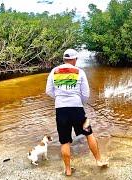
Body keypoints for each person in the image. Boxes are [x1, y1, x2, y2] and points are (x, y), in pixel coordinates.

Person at [46, 48, 108, 176]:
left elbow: (49, 91)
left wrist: (60, 98)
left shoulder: (54, 71)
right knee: (88, 133)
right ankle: (98, 160)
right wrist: (80, 102)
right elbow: (85, 94)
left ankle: (68, 170)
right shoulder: (79, 72)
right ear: (74, 59)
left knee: (64, 141)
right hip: (77, 108)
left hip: (60, 109)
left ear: (64, 59)